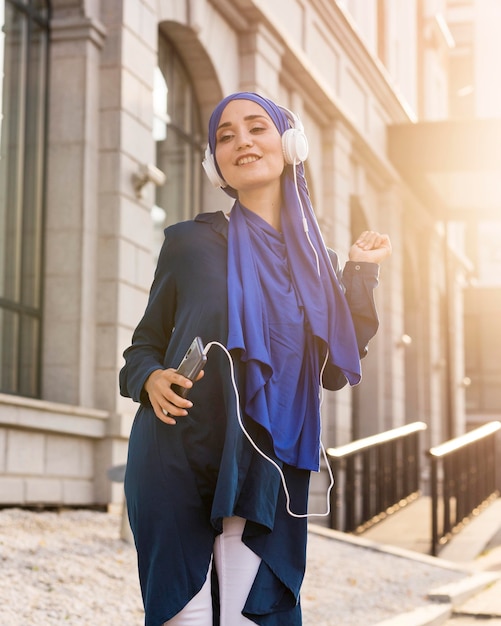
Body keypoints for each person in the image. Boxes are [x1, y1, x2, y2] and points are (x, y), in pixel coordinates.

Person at [119, 91, 392, 626]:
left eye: (256, 128)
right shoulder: (187, 243)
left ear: (290, 144)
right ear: (214, 161)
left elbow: (336, 370)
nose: (240, 140)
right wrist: (149, 378)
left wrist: (359, 275)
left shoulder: (320, 263)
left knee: (251, 618)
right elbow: (142, 347)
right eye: (225, 135)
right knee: (186, 618)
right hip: (176, 451)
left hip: (266, 464)